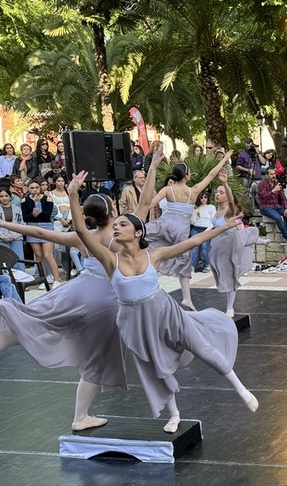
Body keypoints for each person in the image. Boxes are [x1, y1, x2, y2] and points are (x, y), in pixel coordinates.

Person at [67, 172, 257, 433]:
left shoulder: (154, 254)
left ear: (137, 232)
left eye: (122, 224)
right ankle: (174, 414)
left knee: (203, 348)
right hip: (137, 323)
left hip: (166, 312)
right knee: (158, 369)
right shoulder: (110, 260)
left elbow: (195, 240)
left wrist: (224, 227)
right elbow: (80, 230)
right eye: (115, 225)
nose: (116, 228)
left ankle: (242, 389)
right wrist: (73, 194)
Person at [0, 193, 127, 431]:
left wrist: (2, 223)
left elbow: (41, 233)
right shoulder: (120, 241)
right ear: (113, 213)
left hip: (75, 292)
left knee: (21, 325)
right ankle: (80, 416)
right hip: (104, 301)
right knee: (95, 359)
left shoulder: (83, 237)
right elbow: (146, 203)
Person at [147, 152, 231, 310]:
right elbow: (212, 174)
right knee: (183, 261)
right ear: (186, 176)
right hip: (181, 230)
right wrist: (225, 160)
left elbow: (150, 203)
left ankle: (148, 283)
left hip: (165, 225)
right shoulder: (194, 191)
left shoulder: (168, 189)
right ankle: (187, 298)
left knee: (150, 248)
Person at [208, 171, 262, 317]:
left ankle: (230, 307)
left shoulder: (228, 211)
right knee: (223, 275)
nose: (217, 194)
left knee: (231, 275)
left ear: (226, 195)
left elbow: (232, 202)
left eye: (221, 192)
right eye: (217, 192)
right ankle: (257, 240)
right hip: (218, 245)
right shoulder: (217, 210)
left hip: (230, 244)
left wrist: (225, 183)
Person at [21, 179, 62, 283]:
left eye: (36, 187)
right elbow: (26, 217)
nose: (35, 190)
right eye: (32, 188)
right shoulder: (24, 201)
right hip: (32, 227)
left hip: (46, 226)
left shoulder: (48, 199)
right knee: (39, 256)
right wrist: (33, 215)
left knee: (48, 255)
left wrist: (37, 204)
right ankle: (43, 279)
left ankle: (56, 279)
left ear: (40, 188)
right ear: (28, 189)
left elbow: (47, 215)